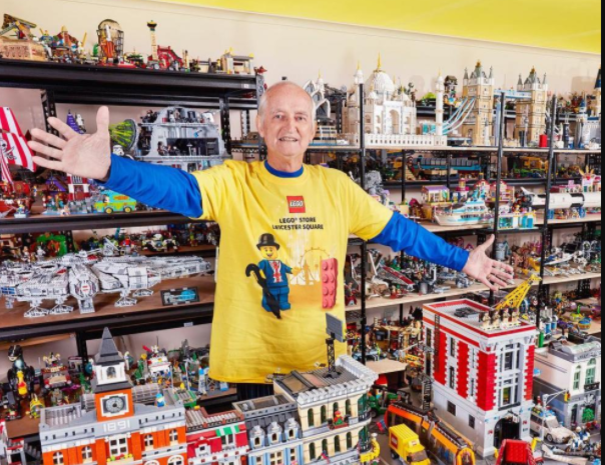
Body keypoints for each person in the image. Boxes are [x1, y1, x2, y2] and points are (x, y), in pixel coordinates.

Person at [30, 82, 512, 398]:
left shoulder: (337, 187)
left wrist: (462, 260)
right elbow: (179, 189)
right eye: (278, 116)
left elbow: (399, 231)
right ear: (260, 126)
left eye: (300, 116)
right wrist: (111, 169)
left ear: (313, 128)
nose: (290, 126)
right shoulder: (234, 181)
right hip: (254, 363)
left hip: (323, 359)